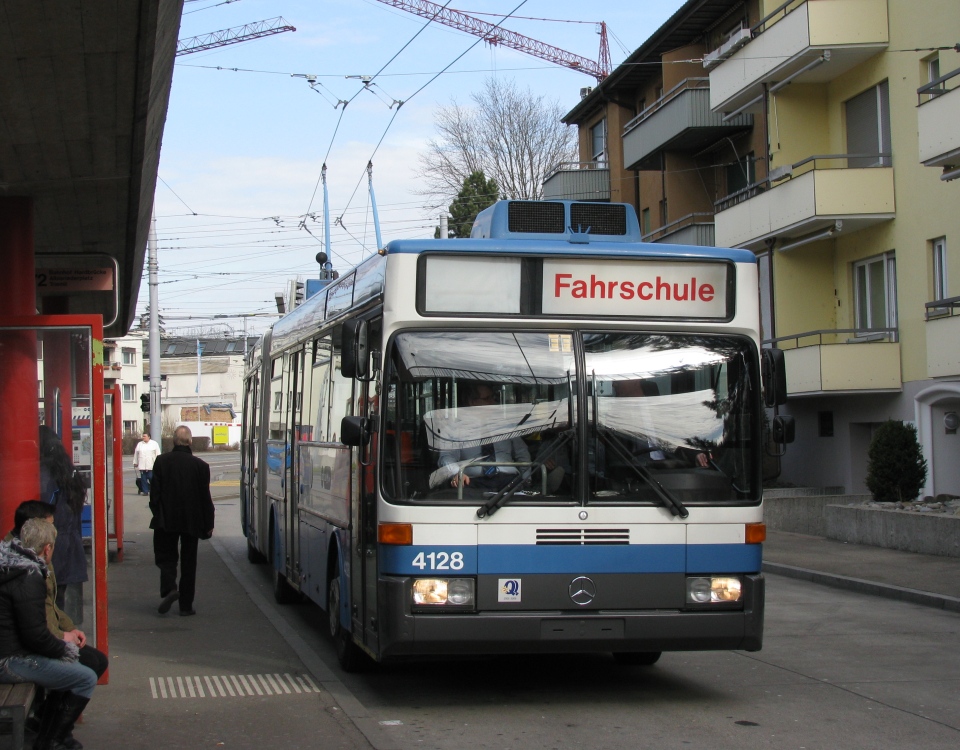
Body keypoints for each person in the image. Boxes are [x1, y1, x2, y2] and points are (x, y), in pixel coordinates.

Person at [5, 502, 107, 750]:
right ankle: (51, 738)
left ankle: (51, 730)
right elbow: (36, 633)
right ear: (45, 545)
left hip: (16, 647)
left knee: (91, 662)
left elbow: (47, 609)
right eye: (50, 525)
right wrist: (64, 644)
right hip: (12, 656)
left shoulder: (22, 562)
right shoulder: (27, 574)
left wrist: (68, 630)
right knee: (84, 674)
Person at [149, 425, 215, 616]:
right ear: (190, 442)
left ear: (173, 441)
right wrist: (208, 524)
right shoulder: (201, 466)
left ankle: (170, 588)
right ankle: (186, 605)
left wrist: (158, 512)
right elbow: (205, 498)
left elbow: (155, 495)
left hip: (166, 519)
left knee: (166, 556)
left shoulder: (161, 462)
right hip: (191, 521)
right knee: (189, 561)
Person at [437, 384, 531, 490]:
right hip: (474, 481)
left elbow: (522, 452)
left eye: (493, 398)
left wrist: (526, 479)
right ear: (472, 402)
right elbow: (447, 457)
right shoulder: (455, 429)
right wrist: (457, 473)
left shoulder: (506, 425)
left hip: (508, 480)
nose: (493, 402)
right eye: (487, 399)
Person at [38, 426, 88, 625]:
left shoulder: (45, 475)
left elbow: (43, 508)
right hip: (71, 543)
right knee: (59, 598)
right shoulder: (71, 473)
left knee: (47, 601)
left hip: (52, 543)